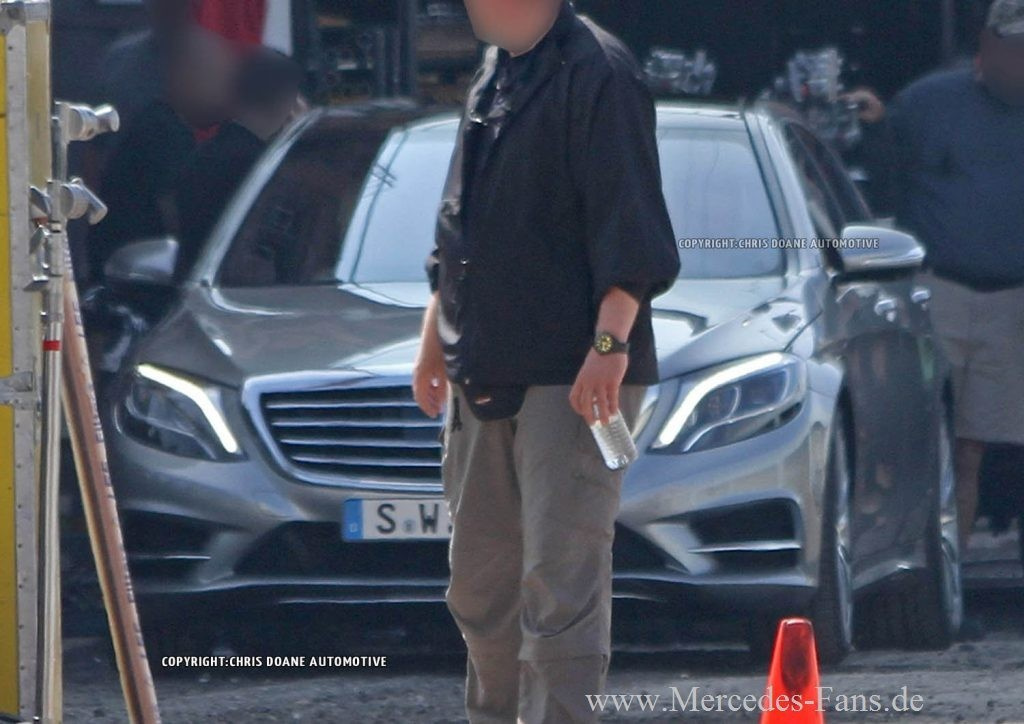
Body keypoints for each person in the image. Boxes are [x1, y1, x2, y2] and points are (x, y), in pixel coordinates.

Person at [412, 0, 680, 721]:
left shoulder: (601, 71)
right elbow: (459, 224)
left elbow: (631, 230)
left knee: (559, 586)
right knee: (479, 587)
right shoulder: (496, 66)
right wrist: (433, 339)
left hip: (574, 373)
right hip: (482, 363)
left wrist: (609, 347)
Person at [845, 0, 1024, 639]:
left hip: (1014, 303)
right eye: (1013, 48)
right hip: (936, 292)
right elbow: (877, 184)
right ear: (986, 46)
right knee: (930, 446)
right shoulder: (926, 103)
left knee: (973, 449)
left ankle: (954, 590)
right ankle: (923, 595)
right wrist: (870, 123)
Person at [172, 48, 304, 283]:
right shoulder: (265, 170)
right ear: (288, 102)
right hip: (247, 292)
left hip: (196, 289)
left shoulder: (203, 154)